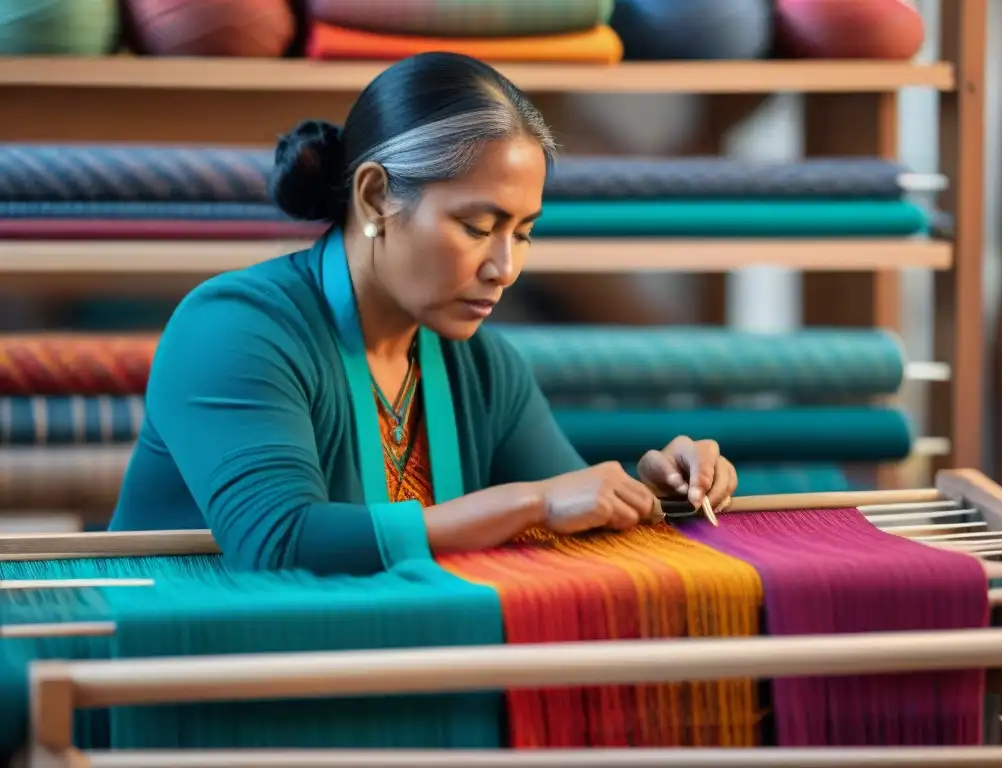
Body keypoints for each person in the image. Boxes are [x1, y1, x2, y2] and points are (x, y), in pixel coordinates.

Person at [109, 52, 738, 575]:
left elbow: (574, 508)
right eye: (478, 225)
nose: (506, 267)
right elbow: (280, 544)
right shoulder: (234, 330)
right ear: (376, 196)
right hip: (173, 677)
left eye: (522, 232)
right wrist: (533, 503)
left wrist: (661, 492)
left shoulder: (482, 367)